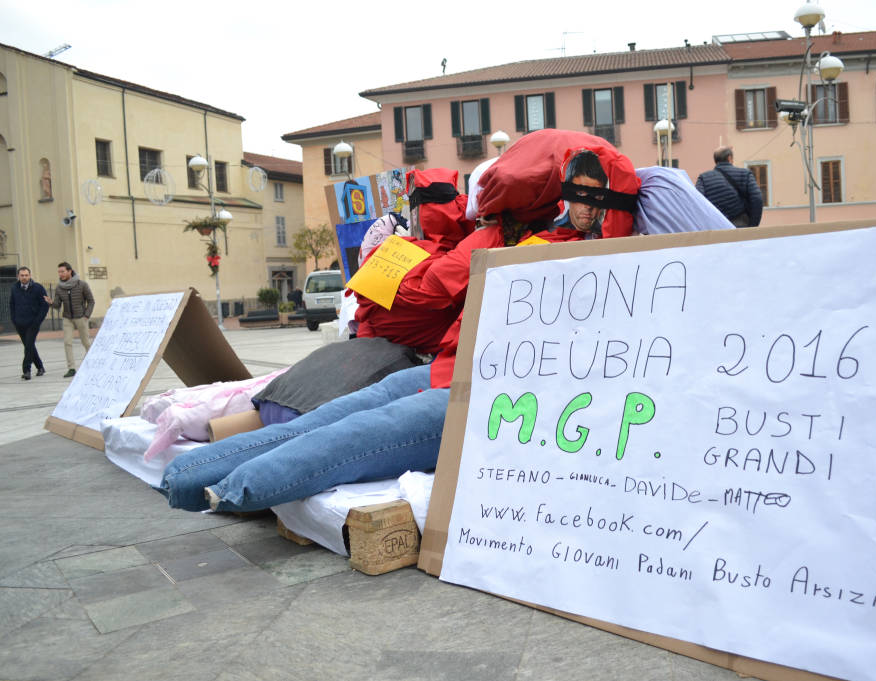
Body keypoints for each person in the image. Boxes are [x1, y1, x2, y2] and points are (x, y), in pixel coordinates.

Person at [159, 149, 619, 513]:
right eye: (578, 195)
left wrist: (391, 274)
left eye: (593, 198)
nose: (584, 207)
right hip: (451, 371)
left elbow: (427, 292)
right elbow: (434, 293)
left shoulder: (524, 244)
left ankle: (215, 483)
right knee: (343, 420)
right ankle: (201, 473)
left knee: (355, 429)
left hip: (484, 387)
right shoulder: (523, 243)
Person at [695, 146, 763, 227]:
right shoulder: (745, 174)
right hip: (740, 223)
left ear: (715, 160)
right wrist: (753, 225)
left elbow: (697, 202)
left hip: (715, 225)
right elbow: (757, 199)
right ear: (729, 158)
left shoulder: (703, 178)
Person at [50, 261, 94, 377]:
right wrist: (51, 303)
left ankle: (93, 363)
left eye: (63, 271)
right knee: (67, 342)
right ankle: (71, 368)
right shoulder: (59, 288)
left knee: (86, 342)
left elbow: (91, 301)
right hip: (67, 318)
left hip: (81, 317)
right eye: (59, 272)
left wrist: (86, 315)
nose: (61, 274)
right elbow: (57, 305)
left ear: (69, 271)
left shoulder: (82, 284)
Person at [9, 266, 49, 380]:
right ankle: (40, 367)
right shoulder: (14, 288)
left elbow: (44, 305)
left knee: (29, 345)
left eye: (26, 275)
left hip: (33, 323)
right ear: (18, 276)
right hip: (20, 323)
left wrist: (38, 320)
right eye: (22, 275)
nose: (24, 277)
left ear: (30, 276)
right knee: (29, 345)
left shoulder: (38, 288)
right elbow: (12, 304)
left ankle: (26, 370)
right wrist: (14, 319)